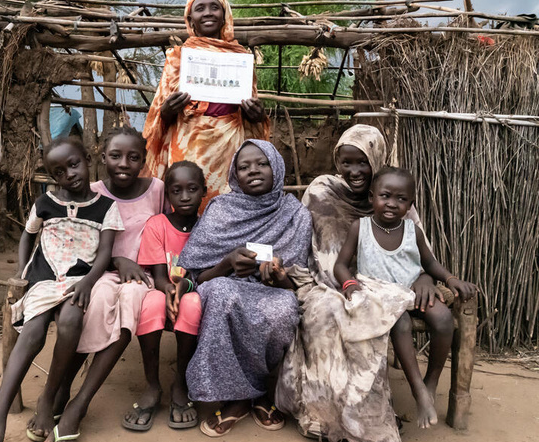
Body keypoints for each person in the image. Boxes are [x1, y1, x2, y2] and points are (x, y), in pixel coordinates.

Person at [276, 124, 429, 441]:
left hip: (383, 287)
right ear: (337, 161)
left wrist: (425, 276)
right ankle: (322, 414)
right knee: (326, 314)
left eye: (363, 162)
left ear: (376, 159)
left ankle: (363, 415)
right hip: (323, 284)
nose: (355, 171)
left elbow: (419, 250)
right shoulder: (321, 190)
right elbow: (303, 243)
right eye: (347, 162)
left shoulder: (390, 192)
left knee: (367, 312)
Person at [24, 126, 164, 442]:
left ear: (143, 160)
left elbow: (166, 230)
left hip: (141, 276)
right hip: (97, 272)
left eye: (133, 157)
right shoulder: (93, 190)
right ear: (102, 157)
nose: (124, 163)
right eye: (115, 156)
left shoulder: (157, 189)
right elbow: (74, 240)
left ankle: (79, 404)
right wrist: (117, 260)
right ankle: (59, 392)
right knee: (96, 303)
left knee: (128, 303)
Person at [0, 138, 122, 442]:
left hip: (79, 280)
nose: (69, 174)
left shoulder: (106, 207)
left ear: (86, 159)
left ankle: (48, 399)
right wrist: (21, 270)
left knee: (71, 321)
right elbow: (26, 236)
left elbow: (106, 252)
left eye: (73, 164)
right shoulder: (45, 203)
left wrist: (87, 282)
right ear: (53, 177)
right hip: (43, 278)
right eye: (59, 172)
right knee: (33, 332)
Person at [179, 139, 312, 437]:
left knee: (283, 308)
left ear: (277, 168)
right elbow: (197, 277)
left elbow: (296, 282)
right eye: (244, 166)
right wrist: (227, 263)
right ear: (233, 175)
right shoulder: (220, 209)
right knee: (224, 297)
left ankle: (258, 391)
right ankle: (241, 399)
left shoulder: (295, 214)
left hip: (272, 290)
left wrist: (276, 275)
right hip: (222, 283)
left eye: (262, 163)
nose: (253, 170)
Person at [333, 167, 478, 430]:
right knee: (401, 324)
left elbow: (429, 262)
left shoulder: (412, 231)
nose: (392, 203)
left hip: (412, 291)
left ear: (410, 205)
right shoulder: (360, 227)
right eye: (385, 196)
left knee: (444, 319)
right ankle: (418, 390)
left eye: (402, 199)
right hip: (381, 298)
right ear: (371, 197)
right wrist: (350, 284)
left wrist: (450, 279)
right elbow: (341, 265)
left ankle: (431, 381)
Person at [142, 0, 270, 209]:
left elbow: (252, 116)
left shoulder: (241, 59)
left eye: (215, 7)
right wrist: (167, 110)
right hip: (187, 143)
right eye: (200, 9)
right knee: (186, 201)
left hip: (228, 146)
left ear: (225, 15)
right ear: (190, 19)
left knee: (227, 205)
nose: (208, 13)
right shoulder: (178, 59)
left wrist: (256, 115)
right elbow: (158, 113)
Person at [122, 161, 207, 431]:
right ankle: (152, 385)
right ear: (167, 194)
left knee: (192, 306)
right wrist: (170, 290)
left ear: (204, 191)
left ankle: (180, 382)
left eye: (192, 189)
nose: (184, 197)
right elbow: (159, 277)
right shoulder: (157, 224)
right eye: (176, 190)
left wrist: (183, 291)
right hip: (164, 287)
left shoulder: (208, 227)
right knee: (152, 303)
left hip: (194, 289)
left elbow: (202, 274)